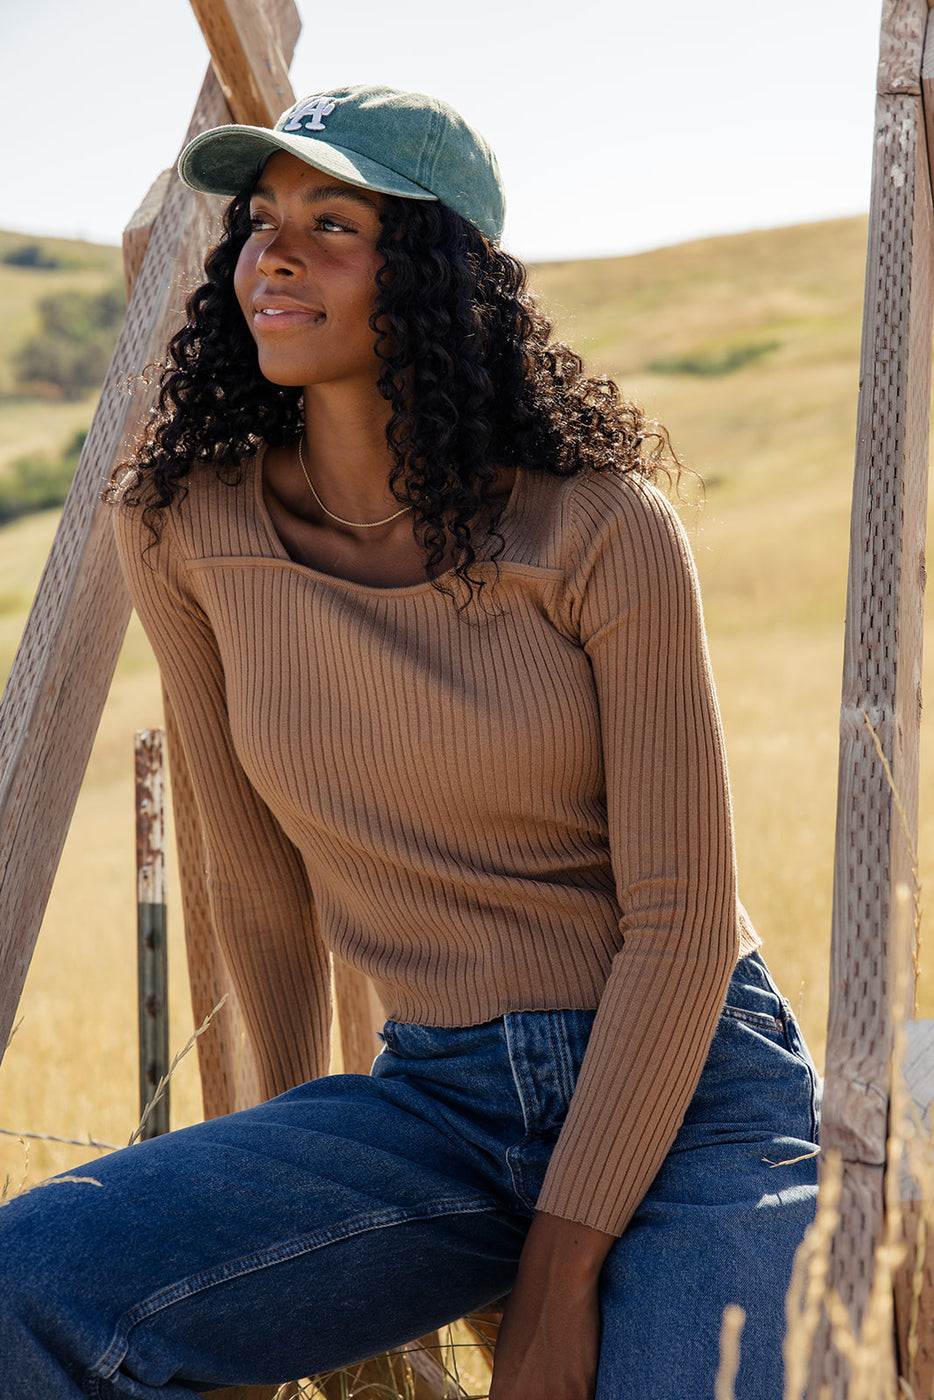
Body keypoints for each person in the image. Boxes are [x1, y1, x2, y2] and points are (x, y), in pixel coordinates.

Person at [0, 85, 820, 1399]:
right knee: (27, 1283)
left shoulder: (597, 527)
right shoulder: (180, 524)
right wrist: (278, 1170)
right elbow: (258, 882)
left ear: (442, 273)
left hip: (688, 1095)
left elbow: (678, 919)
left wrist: (554, 1284)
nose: (273, 250)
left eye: (333, 222)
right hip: (437, 1105)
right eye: (262, 218)